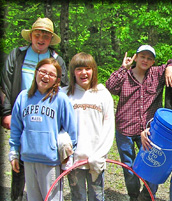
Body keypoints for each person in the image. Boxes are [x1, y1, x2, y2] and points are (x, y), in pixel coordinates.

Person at [1, 17, 68, 201]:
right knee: (19, 161)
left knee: (43, 160)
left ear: (50, 39)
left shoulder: (57, 60)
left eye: (45, 36)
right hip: (21, 114)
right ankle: (17, 197)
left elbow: (63, 89)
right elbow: (5, 85)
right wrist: (6, 112)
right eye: (37, 35)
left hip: (47, 119)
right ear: (31, 36)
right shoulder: (17, 55)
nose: (41, 39)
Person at [106, 45, 172, 201]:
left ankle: (146, 196)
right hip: (125, 129)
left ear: (153, 62)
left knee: (153, 163)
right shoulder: (125, 75)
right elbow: (110, 87)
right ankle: (133, 196)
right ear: (135, 57)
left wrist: (169, 68)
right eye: (142, 56)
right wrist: (123, 68)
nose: (145, 60)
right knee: (129, 166)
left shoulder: (157, 74)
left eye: (149, 58)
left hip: (149, 130)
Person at [8, 58, 77, 201]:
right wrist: (14, 152)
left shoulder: (61, 99)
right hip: (28, 158)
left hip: (50, 161)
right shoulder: (23, 97)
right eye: (43, 71)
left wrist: (69, 156)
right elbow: (16, 127)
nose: (46, 76)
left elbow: (72, 131)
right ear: (36, 72)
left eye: (51, 74)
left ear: (57, 80)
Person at [61, 52, 115, 201]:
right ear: (72, 72)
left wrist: (100, 155)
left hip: (96, 159)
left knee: (97, 196)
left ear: (94, 70)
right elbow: (59, 128)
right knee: (77, 196)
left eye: (87, 68)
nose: (83, 73)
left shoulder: (103, 94)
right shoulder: (64, 95)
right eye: (79, 69)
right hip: (73, 159)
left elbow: (108, 128)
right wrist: (66, 153)